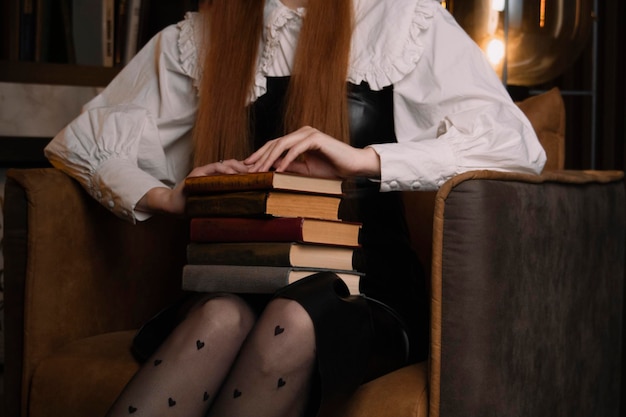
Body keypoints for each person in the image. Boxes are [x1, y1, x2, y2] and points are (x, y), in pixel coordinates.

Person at [45, 0, 546, 415]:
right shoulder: (201, 36)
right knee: (217, 315)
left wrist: (366, 159)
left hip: (365, 289)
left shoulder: (402, 21)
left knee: (292, 320)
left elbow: (516, 147)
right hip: (243, 278)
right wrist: (169, 197)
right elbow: (82, 140)